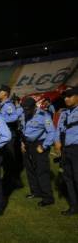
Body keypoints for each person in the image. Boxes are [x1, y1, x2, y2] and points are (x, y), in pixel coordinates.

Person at [20, 97, 55, 207]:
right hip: (27, 144)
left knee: (41, 171)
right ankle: (35, 192)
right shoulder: (24, 114)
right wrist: (22, 143)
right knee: (30, 169)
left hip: (40, 143)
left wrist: (44, 146)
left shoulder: (44, 116)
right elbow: (22, 129)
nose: (26, 111)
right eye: (25, 109)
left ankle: (47, 197)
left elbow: (51, 132)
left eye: (28, 109)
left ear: (34, 107)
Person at [55, 86, 78, 216]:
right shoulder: (64, 113)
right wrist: (57, 141)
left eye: (70, 96)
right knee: (68, 178)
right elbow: (58, 129)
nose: (66, 99)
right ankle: (74, 207)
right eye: (65, 97)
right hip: (66, 150)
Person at [0, 84, 23, 191]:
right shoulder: (1, 105)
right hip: (4, 135)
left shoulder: (8, 105)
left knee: (10, 159)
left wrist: (1, 120)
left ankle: (15, 181)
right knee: (6, 159)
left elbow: (15, 117)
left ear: (5, 93)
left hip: (9, 136)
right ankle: (9, 179)